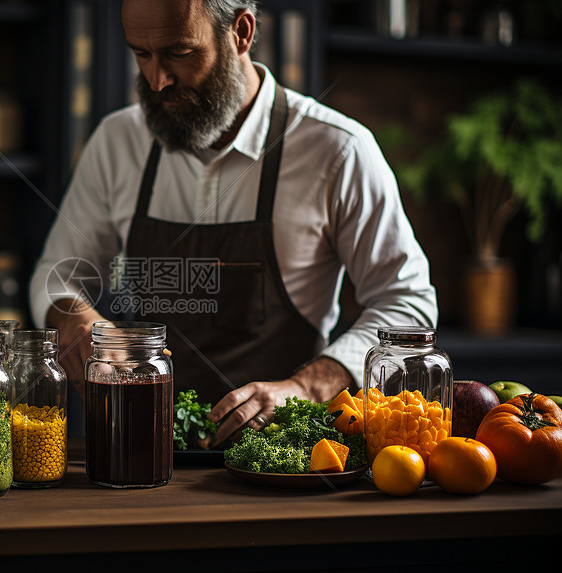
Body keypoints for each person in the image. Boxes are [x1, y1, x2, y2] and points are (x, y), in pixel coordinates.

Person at [28, 0, 438, 446]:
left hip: (285, 459)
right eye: (141, 54)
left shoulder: (338, 151)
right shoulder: (117, 141)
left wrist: (307, 388)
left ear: (242, 32)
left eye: (179, 53)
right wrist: (77, 321)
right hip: (141, 449)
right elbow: (57, 276)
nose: (156, 79)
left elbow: (408, 303)